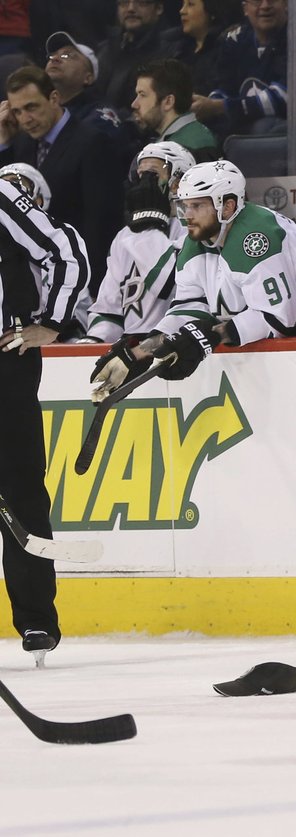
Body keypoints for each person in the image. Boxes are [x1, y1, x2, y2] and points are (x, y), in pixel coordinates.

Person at [89, 160, 296, 400]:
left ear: (228, 206)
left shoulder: (256, 237)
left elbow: (276, 318)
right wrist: (140, 352)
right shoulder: (196, 243)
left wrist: (209, 336)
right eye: (184, 205)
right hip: (291, 349)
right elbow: (189, 308)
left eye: (197, 206)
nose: (187, 215)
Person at [0, 173, 91, 664]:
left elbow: (65, 249)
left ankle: (35, 620)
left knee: (20, 493)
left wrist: (52, 321)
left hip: (5, 362)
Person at [0, 66, 125, 301]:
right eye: (17, 111)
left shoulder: (92, 142)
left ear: (54, 97)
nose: (25, 119)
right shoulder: (23, 142)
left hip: (79, 281)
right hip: (35, 279)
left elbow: (100, 223)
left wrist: (85, 284)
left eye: (32, 107)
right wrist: (3, 144)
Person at [83, 141, 195, 342]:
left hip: (177, 345)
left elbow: (166, 283)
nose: (144, 183)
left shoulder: (195, 229)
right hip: (131, 349)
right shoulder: (125, 235)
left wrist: (145, 225)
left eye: (152, 175)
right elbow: (109, 310)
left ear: (178, 182)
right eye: (141, 176)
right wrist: (96, 340)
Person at [193, 0, 296, 138]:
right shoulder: (234, 40)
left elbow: (285, 98)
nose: (265, 6)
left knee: (263, 127)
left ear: (286, 4)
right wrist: (206, 107)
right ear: (245, 8)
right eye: (257, 1)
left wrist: (219, 107)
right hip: (248, 127)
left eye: (272, 0)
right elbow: (223, 88)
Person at [95, 0, 172, 119]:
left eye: (141, 2)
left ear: (159, 8)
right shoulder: (104, 50)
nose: (131, 8)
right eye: (124, 2)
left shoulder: (169, 54)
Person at [132, 59, 220, 162]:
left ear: (168, 102)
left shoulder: (192, 145)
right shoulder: (178, 138)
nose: (134, 104)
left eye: (143, 95)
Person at [43, 31, 124, 141]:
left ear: (88, 78)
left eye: (67, 55)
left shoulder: (99, 118)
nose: (55, 58)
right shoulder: (39, 109)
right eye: (52, 55)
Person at [166, 0, 244, 97]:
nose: (182, 11)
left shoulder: (225, 49)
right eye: (183, 4)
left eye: (190, 4)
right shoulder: (179, 49)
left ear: (211, 11)